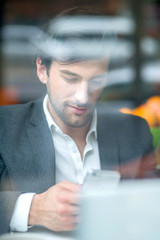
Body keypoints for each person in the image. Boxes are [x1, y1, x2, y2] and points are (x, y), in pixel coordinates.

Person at [0, 6, 157, 236]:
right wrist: (32, 208)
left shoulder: (135, 132)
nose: (83, 97)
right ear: (42, 70)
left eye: (97, 80)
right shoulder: (4, 128)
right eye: (70, 78)